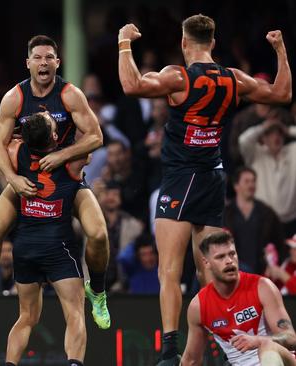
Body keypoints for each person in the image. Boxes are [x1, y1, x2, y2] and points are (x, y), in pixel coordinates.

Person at [117, 14, 291, 364]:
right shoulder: (233, 79)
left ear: (184, 43)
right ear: (213, 42)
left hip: (182, 178)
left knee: (168, 269)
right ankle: (223, 349)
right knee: (206, 270)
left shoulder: (178, 77)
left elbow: (132, 85)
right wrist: (281, 51)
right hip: (214, 177)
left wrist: (124, 43)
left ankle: (169, 352)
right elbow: (281, 93)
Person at [0, 34, 111, 330]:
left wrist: (63, 157)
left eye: (49, 57)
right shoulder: (15, 97)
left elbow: (96, 136)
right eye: (38, 57)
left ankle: (97, 291)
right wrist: (12, 178)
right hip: (26, 178)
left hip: (67, 178)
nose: (44, 62)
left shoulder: (70, 94)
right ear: (28, 63)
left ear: (57, 63)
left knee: (98, 234)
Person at [4, 112, 87, 366]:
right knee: (74, 314)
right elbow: (92, 141)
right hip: (58, 245)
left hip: (25, 245)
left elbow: (2, 142)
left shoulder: (16, 153)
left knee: (26, 317)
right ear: (54, 136)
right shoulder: (72, 161)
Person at [181, 231, 296, 366]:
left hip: (282, 360)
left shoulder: (263, 287)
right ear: (206, 263)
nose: (229, 261)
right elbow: (191, 360)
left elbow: (291, 338)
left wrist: (259, 340)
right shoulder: (199, 306)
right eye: (220, 257)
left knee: (267, 346)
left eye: (232, 254)